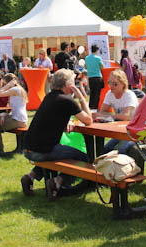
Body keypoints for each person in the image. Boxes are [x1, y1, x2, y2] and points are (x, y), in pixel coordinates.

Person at [20, 69, 92, 201]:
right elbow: (89, 120)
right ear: (67, 85)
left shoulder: (49, 96)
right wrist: (81, 97)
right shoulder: (67, 101)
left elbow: (54, 116)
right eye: (73, 82)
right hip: (42, 151)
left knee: (52, 154)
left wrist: (68, 120)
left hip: (28, 149)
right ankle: (58, 181)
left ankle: (30, 176)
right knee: (84, 158)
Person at [98, 69, 139, 156]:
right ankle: (100, 168)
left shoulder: (129, 95)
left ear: (123, 84)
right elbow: (102, 112)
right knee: (105, 150)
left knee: (122, 150)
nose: (111, 86)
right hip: (121, 130)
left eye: (115, 84)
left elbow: (125, 117)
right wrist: (112, 115)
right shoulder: (110, 94)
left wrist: (109, 115)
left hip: (134, 132)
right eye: (109, 83)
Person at [0, 73, 29, 152]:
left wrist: (7, 85)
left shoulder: (15, 90)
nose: (4, 86)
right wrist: (4, 115)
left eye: (5, 83)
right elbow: (14, 108)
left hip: (18, 120)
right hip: (20, 118)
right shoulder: (19, 89)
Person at [85, 44, 104, 109]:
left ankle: (90, 106)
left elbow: (85, 66)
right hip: (98, 76)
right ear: (97, 50)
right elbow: (102, 67)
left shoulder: (87, 58)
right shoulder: (98, 58)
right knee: (97, 93)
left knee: (92, 93)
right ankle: (95, 107)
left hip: (90, 77)